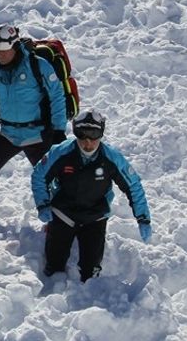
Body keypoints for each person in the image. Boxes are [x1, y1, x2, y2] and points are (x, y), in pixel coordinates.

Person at [31, 110, 151, 282]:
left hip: (95, 216)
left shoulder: (111, 158)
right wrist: (43, 204)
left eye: (94, 135)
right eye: (82, 135)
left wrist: (143, 218)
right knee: (54, 267)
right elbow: (39, 175)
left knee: (91, 272)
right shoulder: (60, 152)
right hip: (63, 212)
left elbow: (133, 186)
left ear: (101, 134)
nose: (88, 142)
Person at [0, 23, 66, 207]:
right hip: (8, 135)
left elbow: (57, 97)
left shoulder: (38, 66)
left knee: (54, 178)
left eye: (4, 50)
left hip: (38, 134)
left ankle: (60, 217)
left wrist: (59, 130)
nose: (1, 55)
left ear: (15, 45)